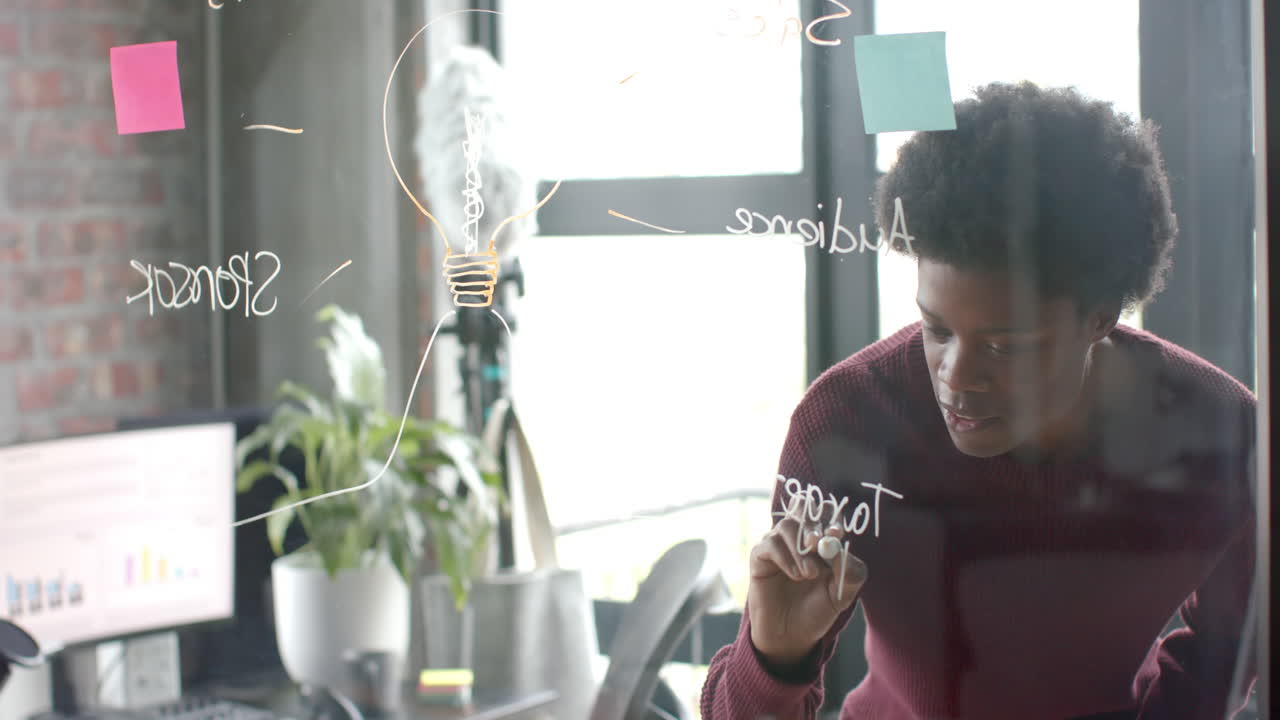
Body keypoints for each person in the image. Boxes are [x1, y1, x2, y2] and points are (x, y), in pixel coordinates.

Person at [700, 82, 1257, 720]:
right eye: (936, 329)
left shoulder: (1224, 433)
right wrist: (773, 656)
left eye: (1006, 346)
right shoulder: (850, 418)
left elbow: (1227, 650)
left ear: (1099, 318)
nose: (956, 378)